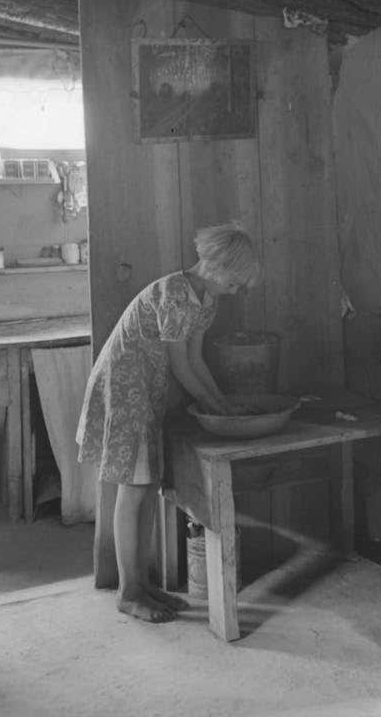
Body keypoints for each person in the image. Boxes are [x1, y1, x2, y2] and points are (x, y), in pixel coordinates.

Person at [76, 221, 261, 623]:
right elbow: (181, 368)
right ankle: (129, 592)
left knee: (145, 490)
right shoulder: (175, 294)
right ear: (216, 266)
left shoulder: (205, 301)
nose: (239, 290)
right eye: (237, 281)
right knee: (134, 489)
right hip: (125, 388)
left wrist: (222, 406)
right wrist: (214, 408)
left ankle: (142, 585)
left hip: (145, 391)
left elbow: (196, 362)